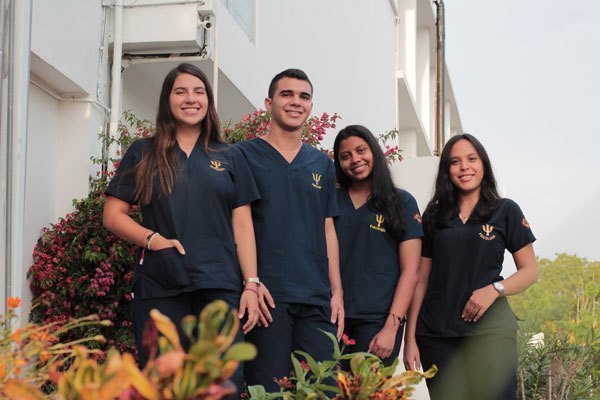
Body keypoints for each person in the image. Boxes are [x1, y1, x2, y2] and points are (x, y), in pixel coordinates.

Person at [103, 63, 264, 393]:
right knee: (163, 384)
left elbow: (243, 226)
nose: (191, 99)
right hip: (161, 286)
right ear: (167, 100)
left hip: (220, 287)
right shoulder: (143, 152)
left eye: (199, 91)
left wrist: (251, 283)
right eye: (181, 91)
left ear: (208, 101)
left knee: (221, 385)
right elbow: (113, 215)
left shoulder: (230, 156)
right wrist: (152, 239)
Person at [403, 134, 538, 400]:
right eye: (455, 161)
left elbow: (530, 272)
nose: (464, 166)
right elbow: (421, 279)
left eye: (471, 159)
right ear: (447, 171)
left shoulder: (505, 210)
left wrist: (495, 289)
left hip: (491, 332)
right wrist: (410, 339)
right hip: (437, 335)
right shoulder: (434, 215)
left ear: (483, 165)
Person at [236, 68, 344, 392]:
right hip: (268, 299)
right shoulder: (244, 156)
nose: (296, 102)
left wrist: (336, 292)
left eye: (304, 96)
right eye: (287, 94)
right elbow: (238, 224)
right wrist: (251, 283)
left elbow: (328, 230)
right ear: (269, 102)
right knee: (268, 392)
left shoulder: (322, 164)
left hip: (315, 297)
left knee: (323, 389)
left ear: (311, 106)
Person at [332, 125, 422, 366]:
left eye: (361, 150)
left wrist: (391, 327)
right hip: (331, 316)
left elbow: (411, 273)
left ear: (374, 151)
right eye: (346, 156)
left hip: (377, 321)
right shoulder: (332, 200)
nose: (355, 160)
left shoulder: (401, 202)